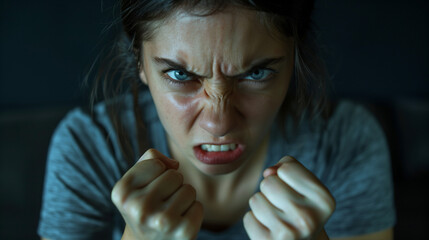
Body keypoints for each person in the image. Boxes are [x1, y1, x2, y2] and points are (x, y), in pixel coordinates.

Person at [38, 0, 396, 239]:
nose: (219, 123)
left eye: (256, 73)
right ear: (139, 63)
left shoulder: (346, 141)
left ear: (293, 59)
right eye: (180, 75)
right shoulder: (89, 146)